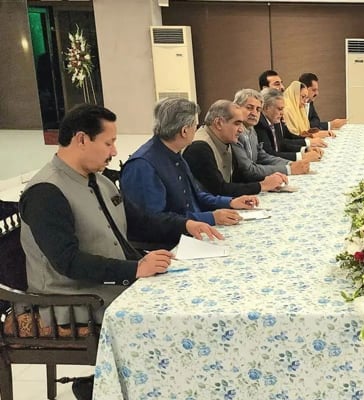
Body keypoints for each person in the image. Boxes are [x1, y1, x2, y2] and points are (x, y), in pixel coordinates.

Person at [19, 103, 222, 327]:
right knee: (179, 319)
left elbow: (139, 220)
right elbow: (68, 261)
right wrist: (135, 269)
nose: (114, 152)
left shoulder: (99, 180)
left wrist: (187, 225)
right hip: (78, 301)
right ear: (82, 140)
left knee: (196, 292)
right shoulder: (46, 192)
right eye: (109, 143)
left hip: (110, 284)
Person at [120, 98, 260, 231]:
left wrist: (229, 202)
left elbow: (196, 195)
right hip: (167, 245)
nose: (197, 129)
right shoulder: (143, 165)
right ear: (184, 130)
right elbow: (152, 220)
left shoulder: (174, 153)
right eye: (195, 125)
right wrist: (209, 217)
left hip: (189, 230)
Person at [182, 100, 287, 196]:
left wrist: (268, 180)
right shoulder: (199, 147)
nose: (241, 130)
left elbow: (238, 178)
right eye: (237, 123)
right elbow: (218, 189)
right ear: (219, 123)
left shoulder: (225, 139)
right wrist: (262, 185)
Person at [231, 88, 310, 182]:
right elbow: (248, 171)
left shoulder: (251, 129)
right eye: (249, 108)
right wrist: (288, 169)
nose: (254, 113)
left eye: (258, 109)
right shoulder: (234, 132)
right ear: (236, 107)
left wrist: (290, 164)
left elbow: (262, 156)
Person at [255, 88, 324, 162]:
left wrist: (305, 150)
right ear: (266, 108)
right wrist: (302, 156)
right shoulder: (260, 124)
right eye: (279, 109)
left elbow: (282, 145)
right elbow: (269, 154)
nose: (282, 113)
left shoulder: (273, 119)